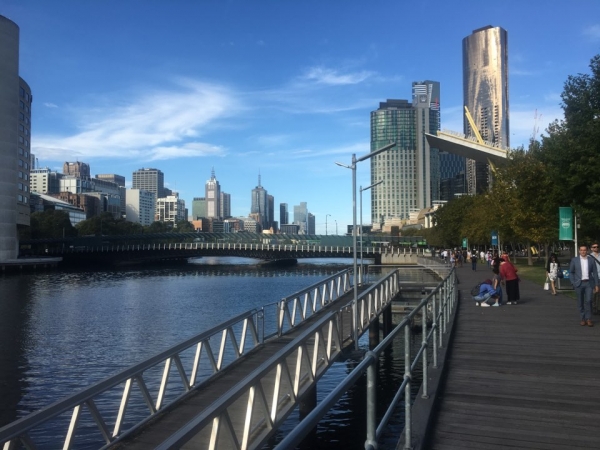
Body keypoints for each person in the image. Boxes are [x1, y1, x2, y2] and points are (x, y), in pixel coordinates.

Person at [569, 244, 599, 327]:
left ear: (587, 251)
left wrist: (596, 284)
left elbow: (595, 273)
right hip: (579, 284)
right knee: (580, 302)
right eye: (581, 250)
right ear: (579, 251)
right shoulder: (574, 260)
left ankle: (589, 318)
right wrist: (573, 282)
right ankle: (583, 318)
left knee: (589, 300)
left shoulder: (591, 260)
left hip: (589, 283)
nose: (583, 251)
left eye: (584, 250)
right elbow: (571, 272)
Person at [589, 242, 600, 314]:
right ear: (591, 248)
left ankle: (598, 308)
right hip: (592, 277)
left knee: (599, 293)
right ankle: (593, 306)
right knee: (594, 292)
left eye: (597, 247)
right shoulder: (589, 257)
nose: (596, 248)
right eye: (594, 247)